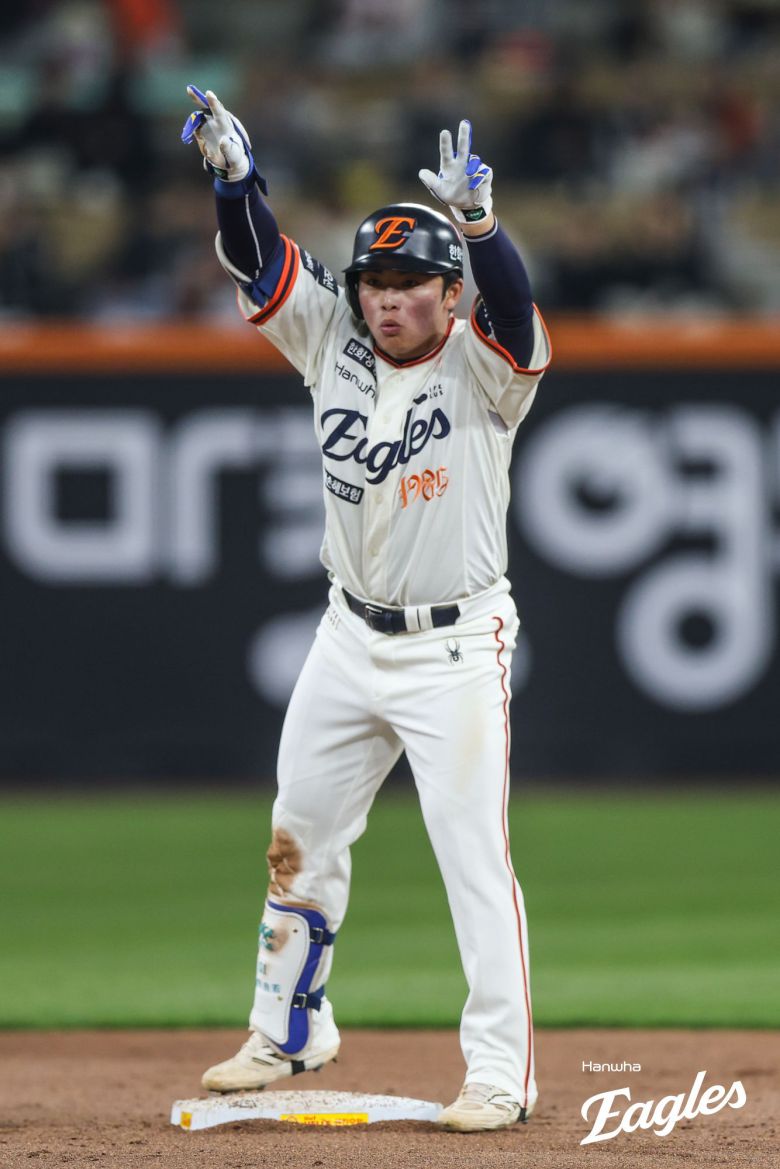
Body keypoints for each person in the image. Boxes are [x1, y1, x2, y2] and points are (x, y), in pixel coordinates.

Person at [183, 85, 551, 1133]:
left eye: (411, 283)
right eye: (375, 282)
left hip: (455, 643)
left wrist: (480, 227)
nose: (388, 301)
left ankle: (500, 1073)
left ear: (448, 291)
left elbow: (515, 310)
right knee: (298, 834)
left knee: (474, 858)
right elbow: (262, 264)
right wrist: (236, 182)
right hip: (348, 634)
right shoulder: (331, 337)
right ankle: (289, 1030)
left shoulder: (484, 367)